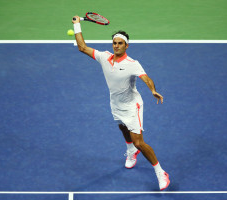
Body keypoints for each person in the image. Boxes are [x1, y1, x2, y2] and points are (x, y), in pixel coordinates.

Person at [72, 16, 170, 190]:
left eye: (120, 43)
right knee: (122, 127)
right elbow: (82, 47)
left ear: (126, 46)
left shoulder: (133, 64)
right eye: (114, 43)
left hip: (133, 105)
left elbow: (145, 78)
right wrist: (76, 24)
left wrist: (152, 90)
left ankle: (160, 172)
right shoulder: (104, 57)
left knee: (139, 141)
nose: (116, 45)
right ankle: (131, 151)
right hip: (115, 103)